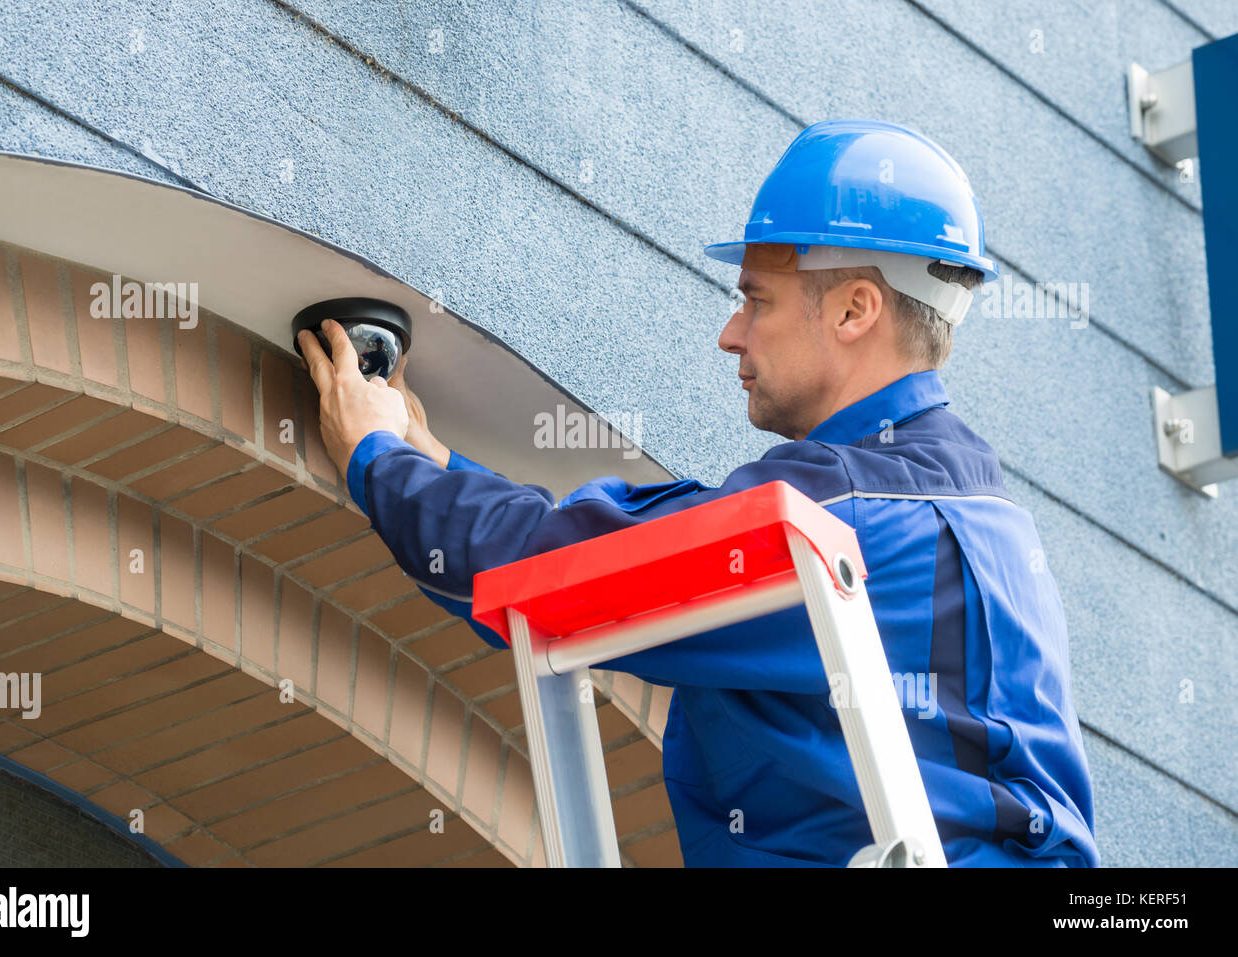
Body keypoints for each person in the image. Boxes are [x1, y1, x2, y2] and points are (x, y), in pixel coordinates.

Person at [298, 118, 1099, 867]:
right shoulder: (975, 515)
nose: (732, 332)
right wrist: (437, 461)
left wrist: (376, 455)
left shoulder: (846, 516)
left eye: (756, 299)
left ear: (857, 309)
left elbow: (555, 573)